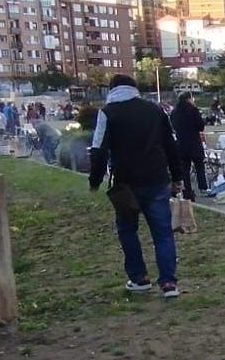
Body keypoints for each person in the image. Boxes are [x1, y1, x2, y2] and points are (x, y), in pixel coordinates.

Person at [89, 76, 186, 297]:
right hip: (157, 178)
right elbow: (171, 144)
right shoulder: (154, 110)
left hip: (126, 184)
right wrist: (178, 176)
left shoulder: (107, 112)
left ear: (112, 90)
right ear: (135, 89)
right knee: (162, 233)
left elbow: (98, 149)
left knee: (127, 230)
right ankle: (169, 283)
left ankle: (139, 278)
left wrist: (94, 181)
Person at [171, 91, 210, 197]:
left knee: (185, 169)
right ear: (189, 99)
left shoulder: (174, 112)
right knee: (199, 166)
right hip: (194, 142)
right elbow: (200, 126)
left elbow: (173, 126)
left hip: (181, 144)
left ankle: (187, 190)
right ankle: (203, 188)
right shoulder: (193, 110)